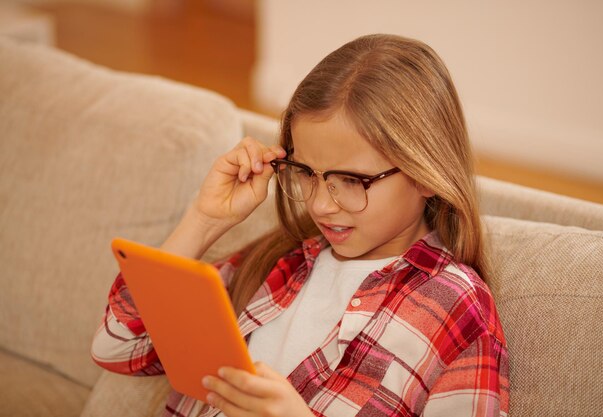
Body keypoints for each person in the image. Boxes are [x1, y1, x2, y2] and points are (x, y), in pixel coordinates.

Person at [91, 33, 509, 417]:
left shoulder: (456, 309)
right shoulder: (280, 265)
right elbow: (118, 346)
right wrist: (204, 220)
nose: (320, 204)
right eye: (306, 172)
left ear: (425, 173)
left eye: (351, 180)